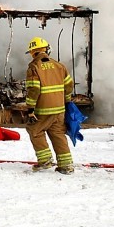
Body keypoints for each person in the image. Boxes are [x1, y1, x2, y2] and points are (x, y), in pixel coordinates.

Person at [22, 36, 75, 174]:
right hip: (59, 109)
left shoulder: (34, 67)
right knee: (58, 134)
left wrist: (30, 109)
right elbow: (69, 85)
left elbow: (34, 89)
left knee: (34, 130)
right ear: (46, 49)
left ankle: (45, 160)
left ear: (33, 52)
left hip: (43, 110)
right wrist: (66, 100)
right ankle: (66, 165)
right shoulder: (59, 65)